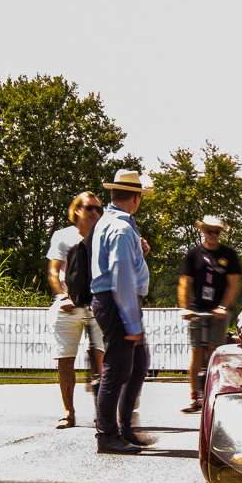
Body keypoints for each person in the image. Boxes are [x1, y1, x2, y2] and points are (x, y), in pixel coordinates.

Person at [91, 170, 152, 455]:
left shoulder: (111, 223)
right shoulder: (123, 229)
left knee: (137, 364)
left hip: (109, 300)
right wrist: (132, 322)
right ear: (137, 198)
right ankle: (107, 435)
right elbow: (122, 279)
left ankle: (123, 428)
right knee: (117, 369)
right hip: (118, 303)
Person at [46, 192, 104, 429]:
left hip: (98, 304)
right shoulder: (63, 236)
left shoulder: (104, 235)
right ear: (77, 210)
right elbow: (53, 271)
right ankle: (68, 413)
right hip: (69, 305)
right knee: (65, 359)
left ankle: (103, 413)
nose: (95, 213)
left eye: (99, 209)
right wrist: (61, 296)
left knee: (100, 357)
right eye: (90, 208)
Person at [179, 215, 241, 413]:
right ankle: (193, 396)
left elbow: (233, 284)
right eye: (209, 231)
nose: (213, 235)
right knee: (197, 352)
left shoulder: (229, 255)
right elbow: (184, 283)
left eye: (217, 231)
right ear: (203, 231)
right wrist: (185, 307)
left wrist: (224, 306)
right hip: (197, 309)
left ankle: (214, 393)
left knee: (214, 352)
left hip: (218, 310)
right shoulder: (193, 254)